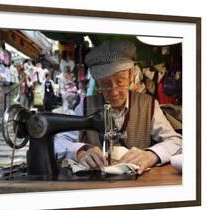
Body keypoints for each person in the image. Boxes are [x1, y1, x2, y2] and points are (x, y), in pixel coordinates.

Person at [54, 40, 182, 175]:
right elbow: (59, 141)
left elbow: (176, 142)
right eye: (105, 84)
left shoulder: (148, 105)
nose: (114, 91)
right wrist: (79, 152)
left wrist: (152, 155)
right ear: (97, 82)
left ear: (131, 74)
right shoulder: (85, 106)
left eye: (120, 81)